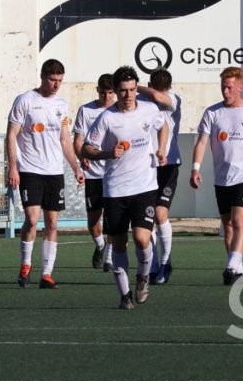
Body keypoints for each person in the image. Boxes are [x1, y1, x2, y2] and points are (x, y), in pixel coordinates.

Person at [82, 66, 169, 309]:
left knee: (142, 239)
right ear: (116, 91)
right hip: (115, 190)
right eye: (123, 91)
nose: (128, 95)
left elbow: (164, 126)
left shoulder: (150, 110)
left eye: (131, 90)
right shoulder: (107, 118)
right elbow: (86, 148)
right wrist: (109, 152)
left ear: (136, 87)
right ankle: (125, 296)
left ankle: (143, 277)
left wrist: (161, 149)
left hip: (144, 187)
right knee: (119, 244)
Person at [191, 66, 243, 285]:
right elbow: (201, 142)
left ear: (240, 87)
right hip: (222, 179)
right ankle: (237, 266)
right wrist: (195, 168)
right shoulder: (212, 113)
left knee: (240, 222)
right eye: (223, 87)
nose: (226, 92)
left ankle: (230, 266)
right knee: (228, 225)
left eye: (229, 87)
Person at [6, 58, 85, 289]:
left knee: (52, 223)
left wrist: (76, 167)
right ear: (42, 77)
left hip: (54, 172)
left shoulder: (61, 105)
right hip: (29, 169)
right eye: (52, 80)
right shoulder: (25, 101)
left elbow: (64, 140)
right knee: (31, 220)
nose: (56, 85)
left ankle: (47, 274)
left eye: (60, 80)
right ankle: (26, 265)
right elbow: (11, 135)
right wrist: (13, 166)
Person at [137, 69, 181, 285]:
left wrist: (133, 86)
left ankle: (165, 261)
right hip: (146, 165)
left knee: (160, 214)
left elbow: (157, 96)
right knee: (147, 218)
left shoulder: (172, 99)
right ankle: (154, 266)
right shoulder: (140, 102)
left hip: (169, 164)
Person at [73, 73, 116, 273]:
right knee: (93, 222)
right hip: (93, 174)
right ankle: (100, 245)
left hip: (114, 174)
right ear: (97, 90)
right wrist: (82, 157)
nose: (107, 97)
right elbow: (78, 141)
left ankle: (109, 258)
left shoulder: (120, 111)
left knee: (112, 219)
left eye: (110, 93)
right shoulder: (86, 110)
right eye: (104, 92)